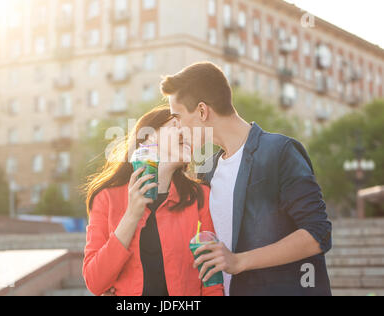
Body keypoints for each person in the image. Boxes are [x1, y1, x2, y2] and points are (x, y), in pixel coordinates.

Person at [161, 62, 332, 296]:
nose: (177, 128)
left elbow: (317, 234)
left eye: (178, 117)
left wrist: (239, 261)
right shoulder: (206, 171)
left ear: (202, 111)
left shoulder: (279, 151)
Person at [82, 105, 223, 296]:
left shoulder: (200, 196)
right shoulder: (106, 197)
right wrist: (132, 215)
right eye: (175, 125)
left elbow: (211, 281)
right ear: (149, 138)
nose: (186, 134)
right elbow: (95, 281)